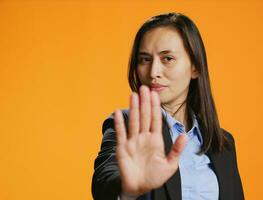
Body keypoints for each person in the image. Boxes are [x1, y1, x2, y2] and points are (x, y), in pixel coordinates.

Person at [92, 12, 244, 200]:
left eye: (167, 59)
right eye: (145, 59)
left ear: (195, 66)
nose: (153, 72)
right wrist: (127, 189)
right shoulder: (126, 124)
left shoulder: (223, 144)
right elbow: (104, 180)